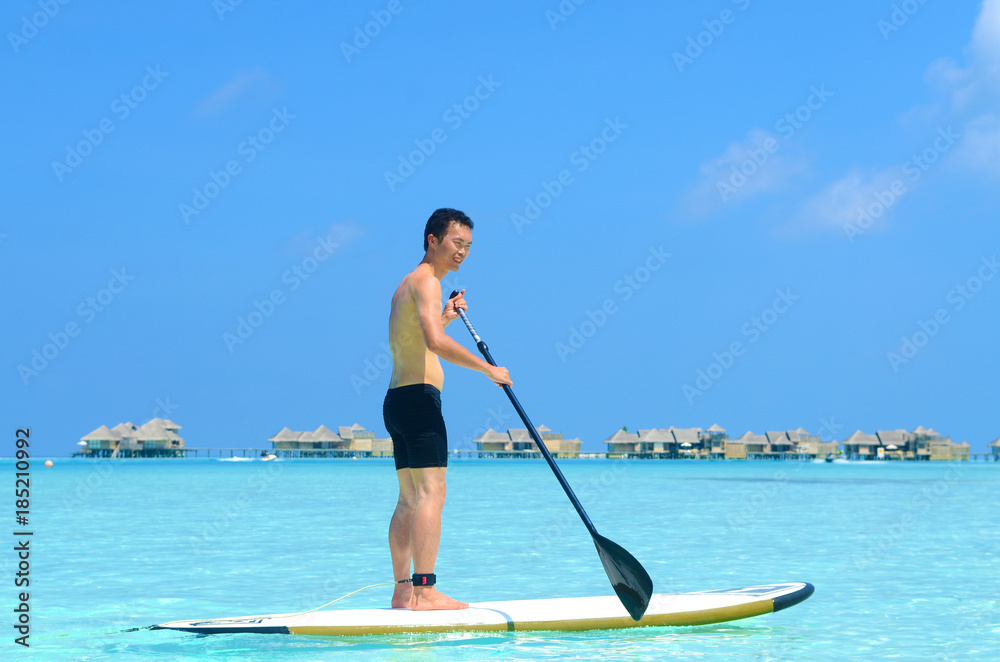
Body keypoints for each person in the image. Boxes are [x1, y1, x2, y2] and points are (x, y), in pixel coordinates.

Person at [383, 208, 512, 610]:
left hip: (398, 401)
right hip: (420, 402)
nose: (463, 252)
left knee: (409, 499)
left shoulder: (409, 284)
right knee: (432, 494)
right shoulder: (428, 282)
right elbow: (436, 346)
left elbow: (421, 339)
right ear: (432, 240)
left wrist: (445, 318)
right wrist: (488, 369)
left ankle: (403, 591)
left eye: (468, 246)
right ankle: (425, 591)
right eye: (457, 243)